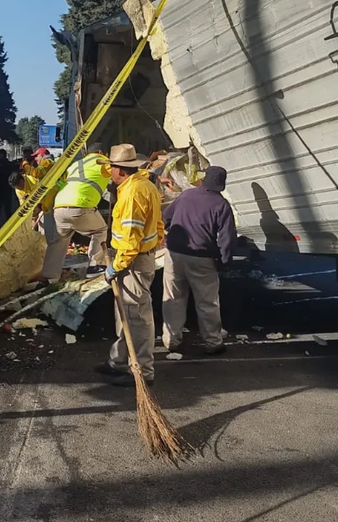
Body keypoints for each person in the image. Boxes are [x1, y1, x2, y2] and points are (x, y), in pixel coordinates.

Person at [97, 144, 164, 387]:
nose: (109, 173)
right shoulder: (143, 184)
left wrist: (118, 264)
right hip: (137, 257)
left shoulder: (133, 193)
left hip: (133, 261)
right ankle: (118, 361)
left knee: (136, 317)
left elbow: (131, 236)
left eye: (111, 168)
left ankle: (143, 371)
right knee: (125, 313)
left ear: (120, 171)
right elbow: (158, 225)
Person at [161, 166, 237, 356]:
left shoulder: (186, 195)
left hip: (174, 254)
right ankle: (213, 342)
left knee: (173, 297)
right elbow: (227, 238)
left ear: (204, 179)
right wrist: (224, 261)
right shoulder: (221, 205)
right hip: (202, 258)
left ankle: (171, 340)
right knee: (207, 302)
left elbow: (166, 218)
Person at [38, 142, 110, 286]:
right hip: (80, 205)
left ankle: (48, 277)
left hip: (59, 206)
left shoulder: (76, 165)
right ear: (102, 152)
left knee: (59, 241)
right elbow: (120, 173)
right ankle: (95, 266)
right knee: (100, 230)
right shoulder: (103, 162)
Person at [0, 149, 16, 228]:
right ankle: (10, 226)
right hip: (7, 190)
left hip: (1, 190)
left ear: (2, 155)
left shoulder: (0, 165)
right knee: (7, 209)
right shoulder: (9, 164)